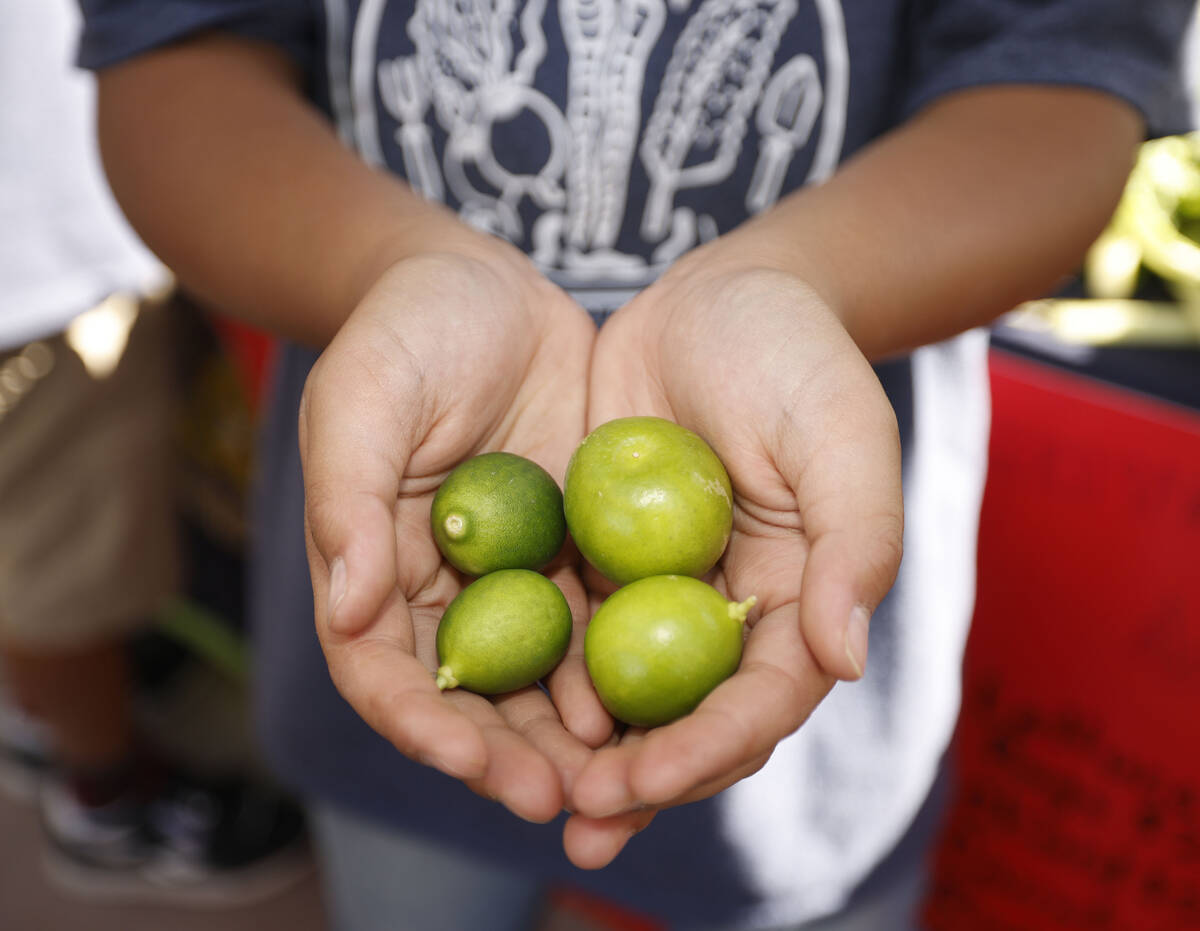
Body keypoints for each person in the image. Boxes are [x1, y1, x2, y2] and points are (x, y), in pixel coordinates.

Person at [76, 1, 1192, 928]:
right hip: (391, 648)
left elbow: (1060, 84)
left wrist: (800, 280)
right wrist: (391, 267)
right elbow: (171, 69)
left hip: (810, 718)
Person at [0, 0, 307, 906]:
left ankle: (53, 704)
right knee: (61, 569)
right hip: (38, 285)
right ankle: (106, 790)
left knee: (66, 534)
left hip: (75, 230)